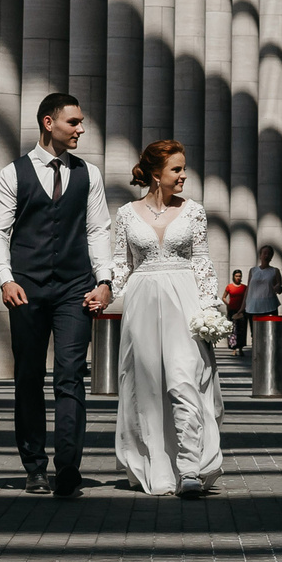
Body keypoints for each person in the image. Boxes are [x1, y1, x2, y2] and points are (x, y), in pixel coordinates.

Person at [0, 92, 115, 496]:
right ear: (48, 123)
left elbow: (98, 230)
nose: (81, 129)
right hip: (27, 287)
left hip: (75, 286)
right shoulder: (12, 173)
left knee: (71, 376)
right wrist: (5, 278)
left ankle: (69, 468)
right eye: (73, 122)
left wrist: (105, 280)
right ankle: (35, 465)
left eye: (80, 122)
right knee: (28, 376)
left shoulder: (89, 175)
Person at [111, 139, 225, 497]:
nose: (183, 175)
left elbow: (203, 262)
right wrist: (100, 293)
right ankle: (154, 465)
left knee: (184, 380)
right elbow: (120, 265)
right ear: (156, 175)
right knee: (145, 387)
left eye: (183, 168)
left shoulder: (194, 211)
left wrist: (209, 308)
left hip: (185, 303)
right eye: (176, 169)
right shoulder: (127, 214)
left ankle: (190, 468)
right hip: (142, 307)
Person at [224, 270, 248, 350]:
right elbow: (224, 297)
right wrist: (228, 304)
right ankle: (233, 347)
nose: (238, 277)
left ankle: (240, 348)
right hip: (232, 310)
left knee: (242, 329)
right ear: (233, 276)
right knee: (233, 329)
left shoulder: (244, 287)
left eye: (239, 276)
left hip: (241, 311)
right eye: (236, 276)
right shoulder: (229, 286)